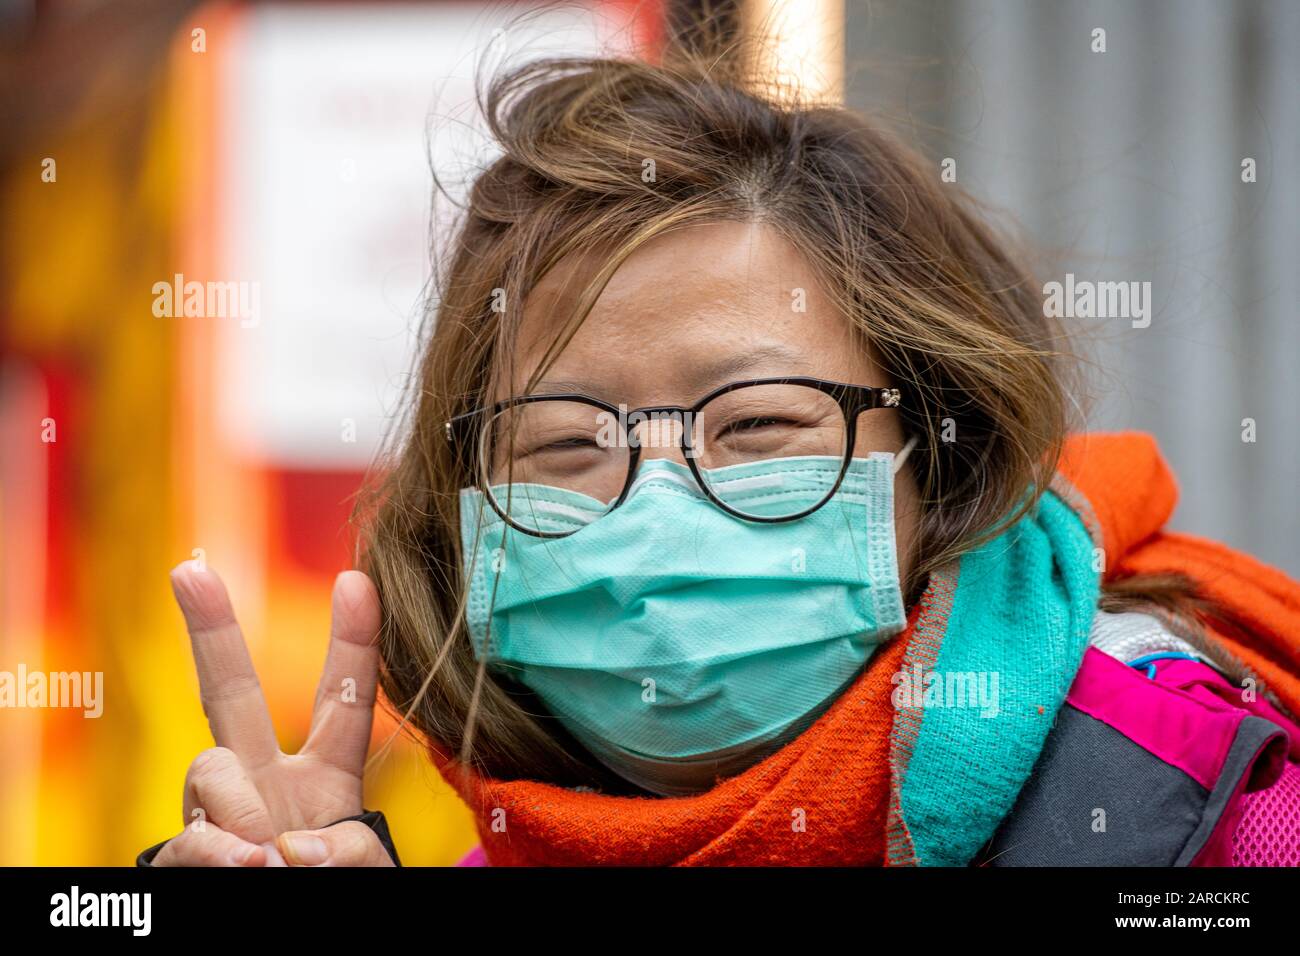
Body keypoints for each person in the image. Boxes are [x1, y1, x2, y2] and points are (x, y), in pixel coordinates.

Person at [139, 52, 1300, 867]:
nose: (654, 508)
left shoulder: (1209, 815)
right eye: (564, 441)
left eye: (755, 425)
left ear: (933, 463)